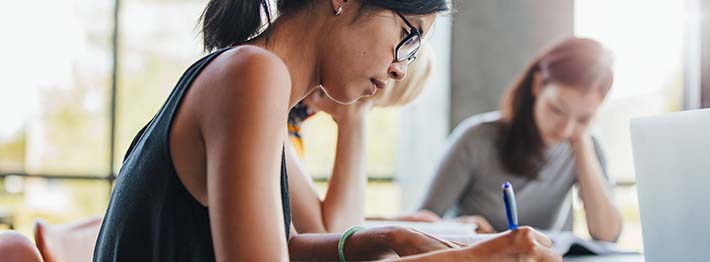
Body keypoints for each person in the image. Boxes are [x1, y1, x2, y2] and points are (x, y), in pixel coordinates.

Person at [94, 0, 561, 261]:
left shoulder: (248, 75)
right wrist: (472, 259)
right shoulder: (251, 75)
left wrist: (393, 238)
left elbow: (285, 247)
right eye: (409, 36)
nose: (400, 69)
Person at [416, 38, 623, 242]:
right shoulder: (476, 138)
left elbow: (607, 235)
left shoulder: (585, 144)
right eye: (557, 109)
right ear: (538, 85)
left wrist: (582, 145)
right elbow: (419, 225)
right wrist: (460, 229)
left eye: (583, 118)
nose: (566, 129)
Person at [288, 47, 433, 234]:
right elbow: (335, 236)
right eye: (368, 103)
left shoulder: (294, 118)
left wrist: (387, 222)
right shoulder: (278, 111)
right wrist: (352, 119)